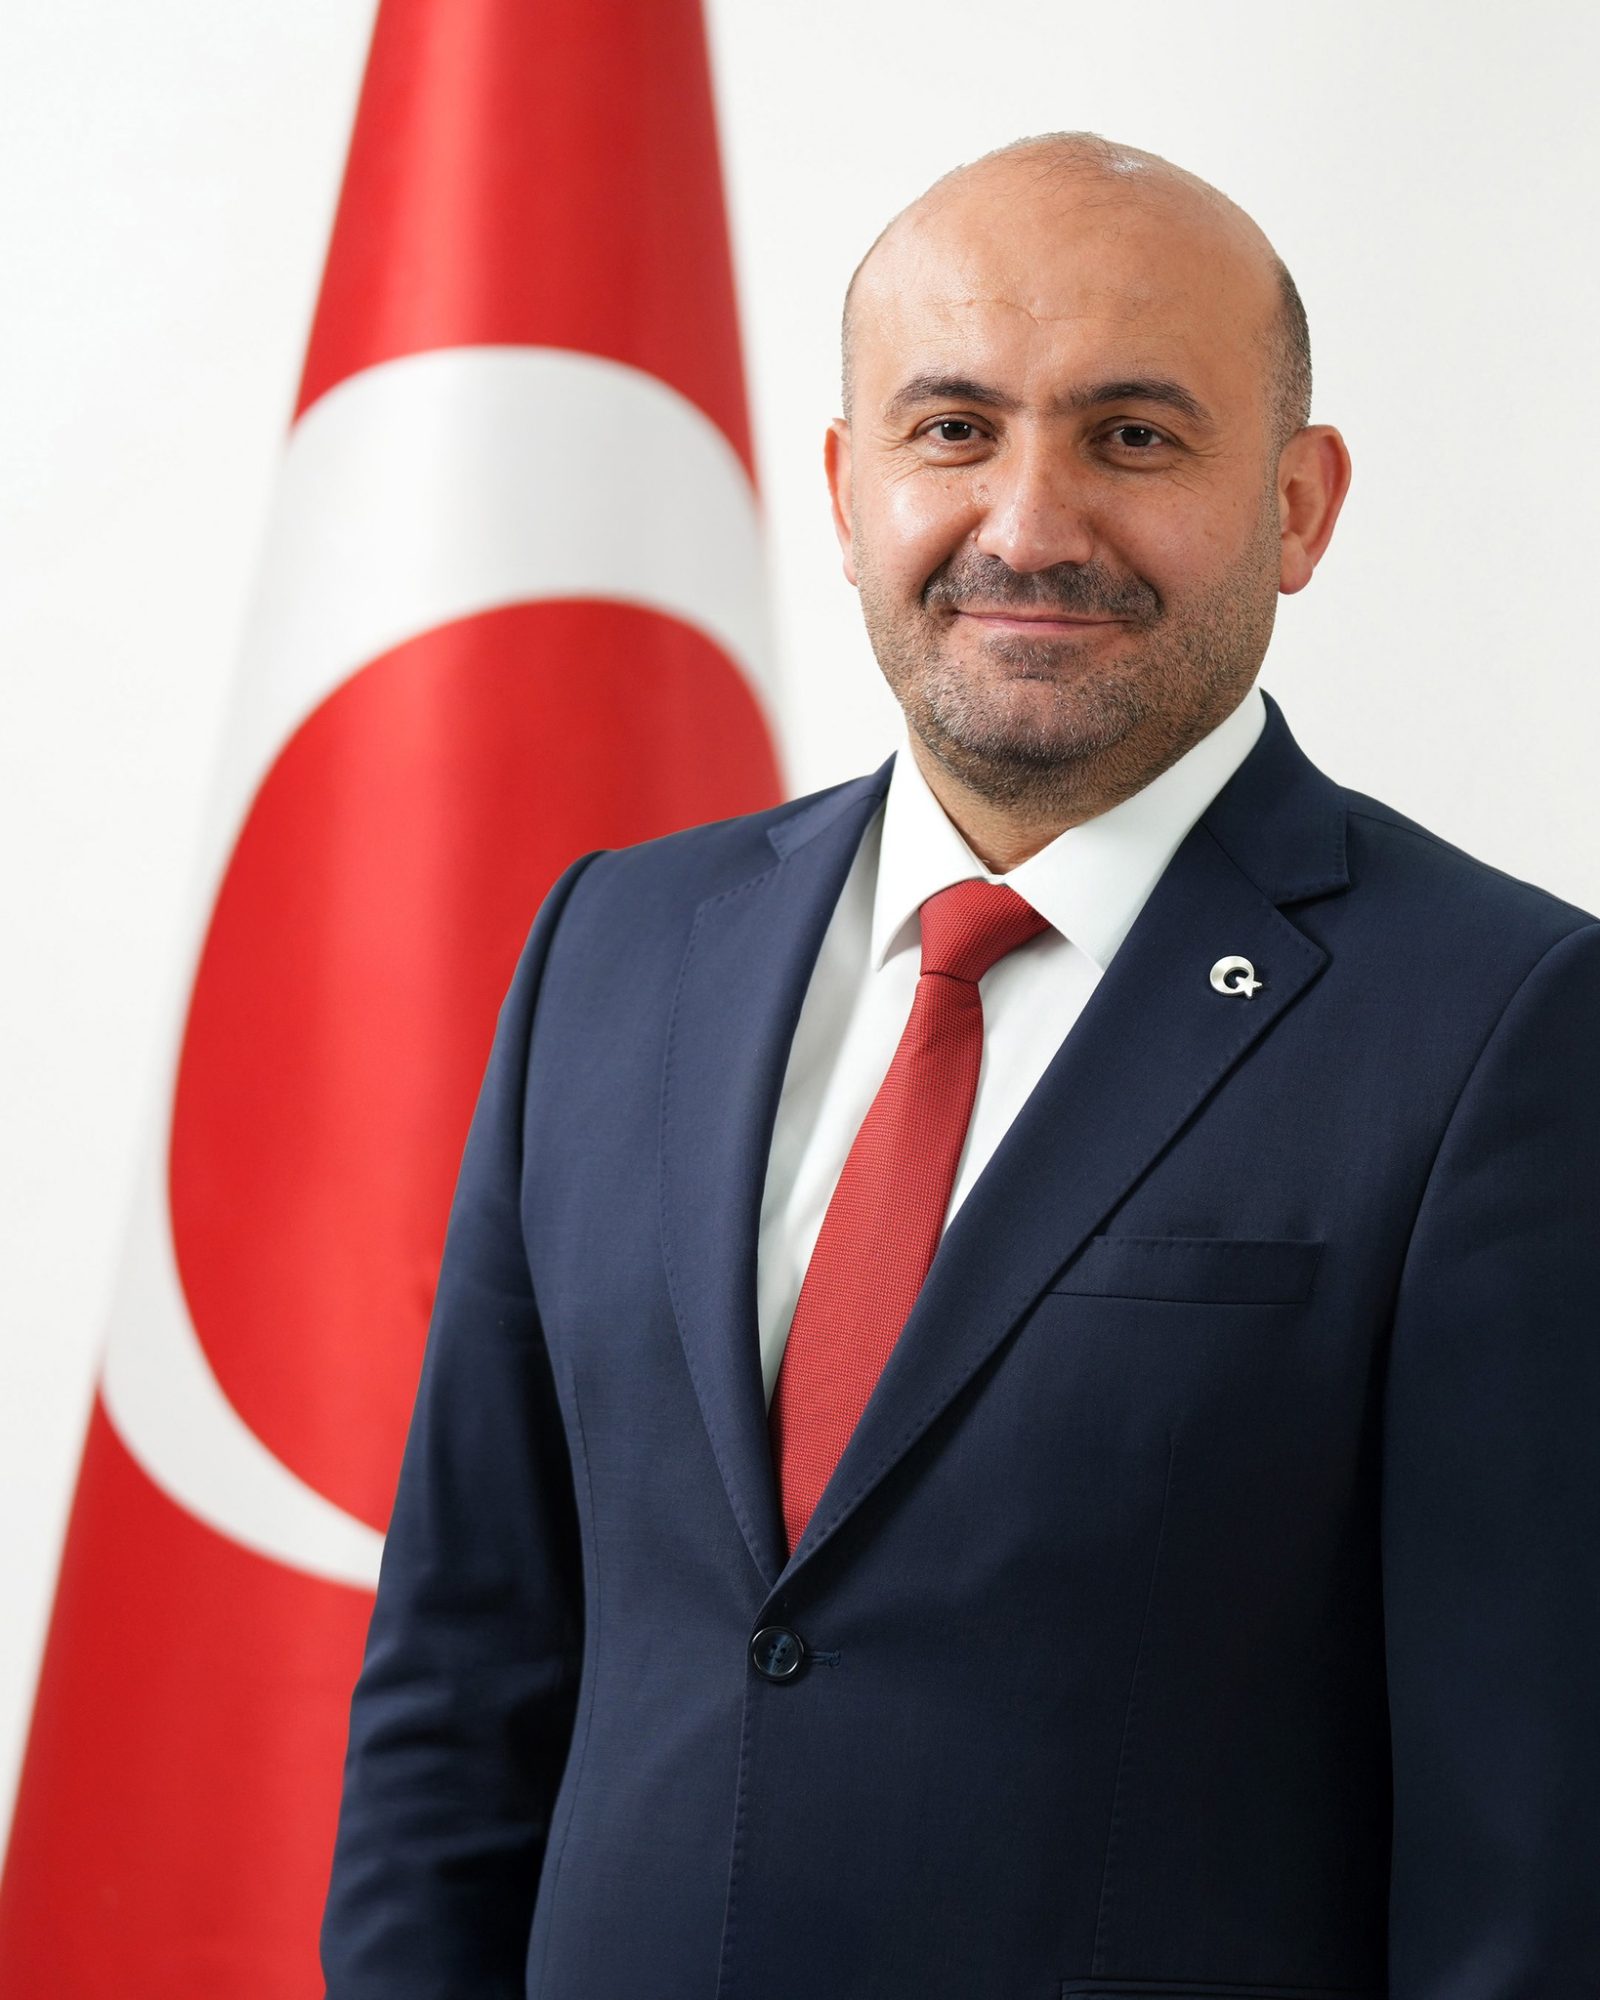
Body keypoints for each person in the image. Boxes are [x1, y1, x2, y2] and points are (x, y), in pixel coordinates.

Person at [319, 133, 1600, 2000]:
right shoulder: (613, 948)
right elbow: (461, 1686)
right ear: (848, 489)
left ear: (1299, 505)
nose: (1030, 523)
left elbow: (1531, 1860)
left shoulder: (1508, 1026)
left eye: (1134, 436)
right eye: (952, 429)